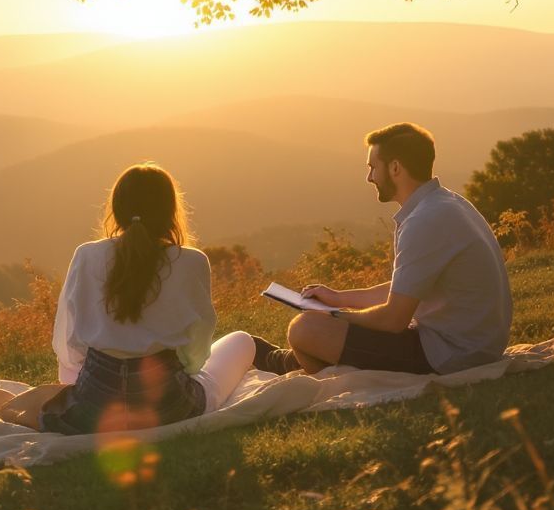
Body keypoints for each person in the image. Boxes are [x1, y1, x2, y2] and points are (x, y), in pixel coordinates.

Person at [252, 122, 512, 377]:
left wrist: (335, 316)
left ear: (395, 168)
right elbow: (404, 290)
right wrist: (338, 297)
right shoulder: (446, 203)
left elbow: (393, 320)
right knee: (314, 328)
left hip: (453, 354)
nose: (369, 177)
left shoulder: (424, 221)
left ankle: (295, 364)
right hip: (473, 344)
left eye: (373, 167)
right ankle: (294, 360)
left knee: (305, 328)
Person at [32, 162, 256, 435]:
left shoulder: (86, 255)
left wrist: (84, 379)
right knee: (243, 340)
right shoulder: (192, 261)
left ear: (116, 209)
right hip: (169, 406)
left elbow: (68, 342)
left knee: (75, 369)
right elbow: (197, 349)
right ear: (170, 211)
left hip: (95, 407)